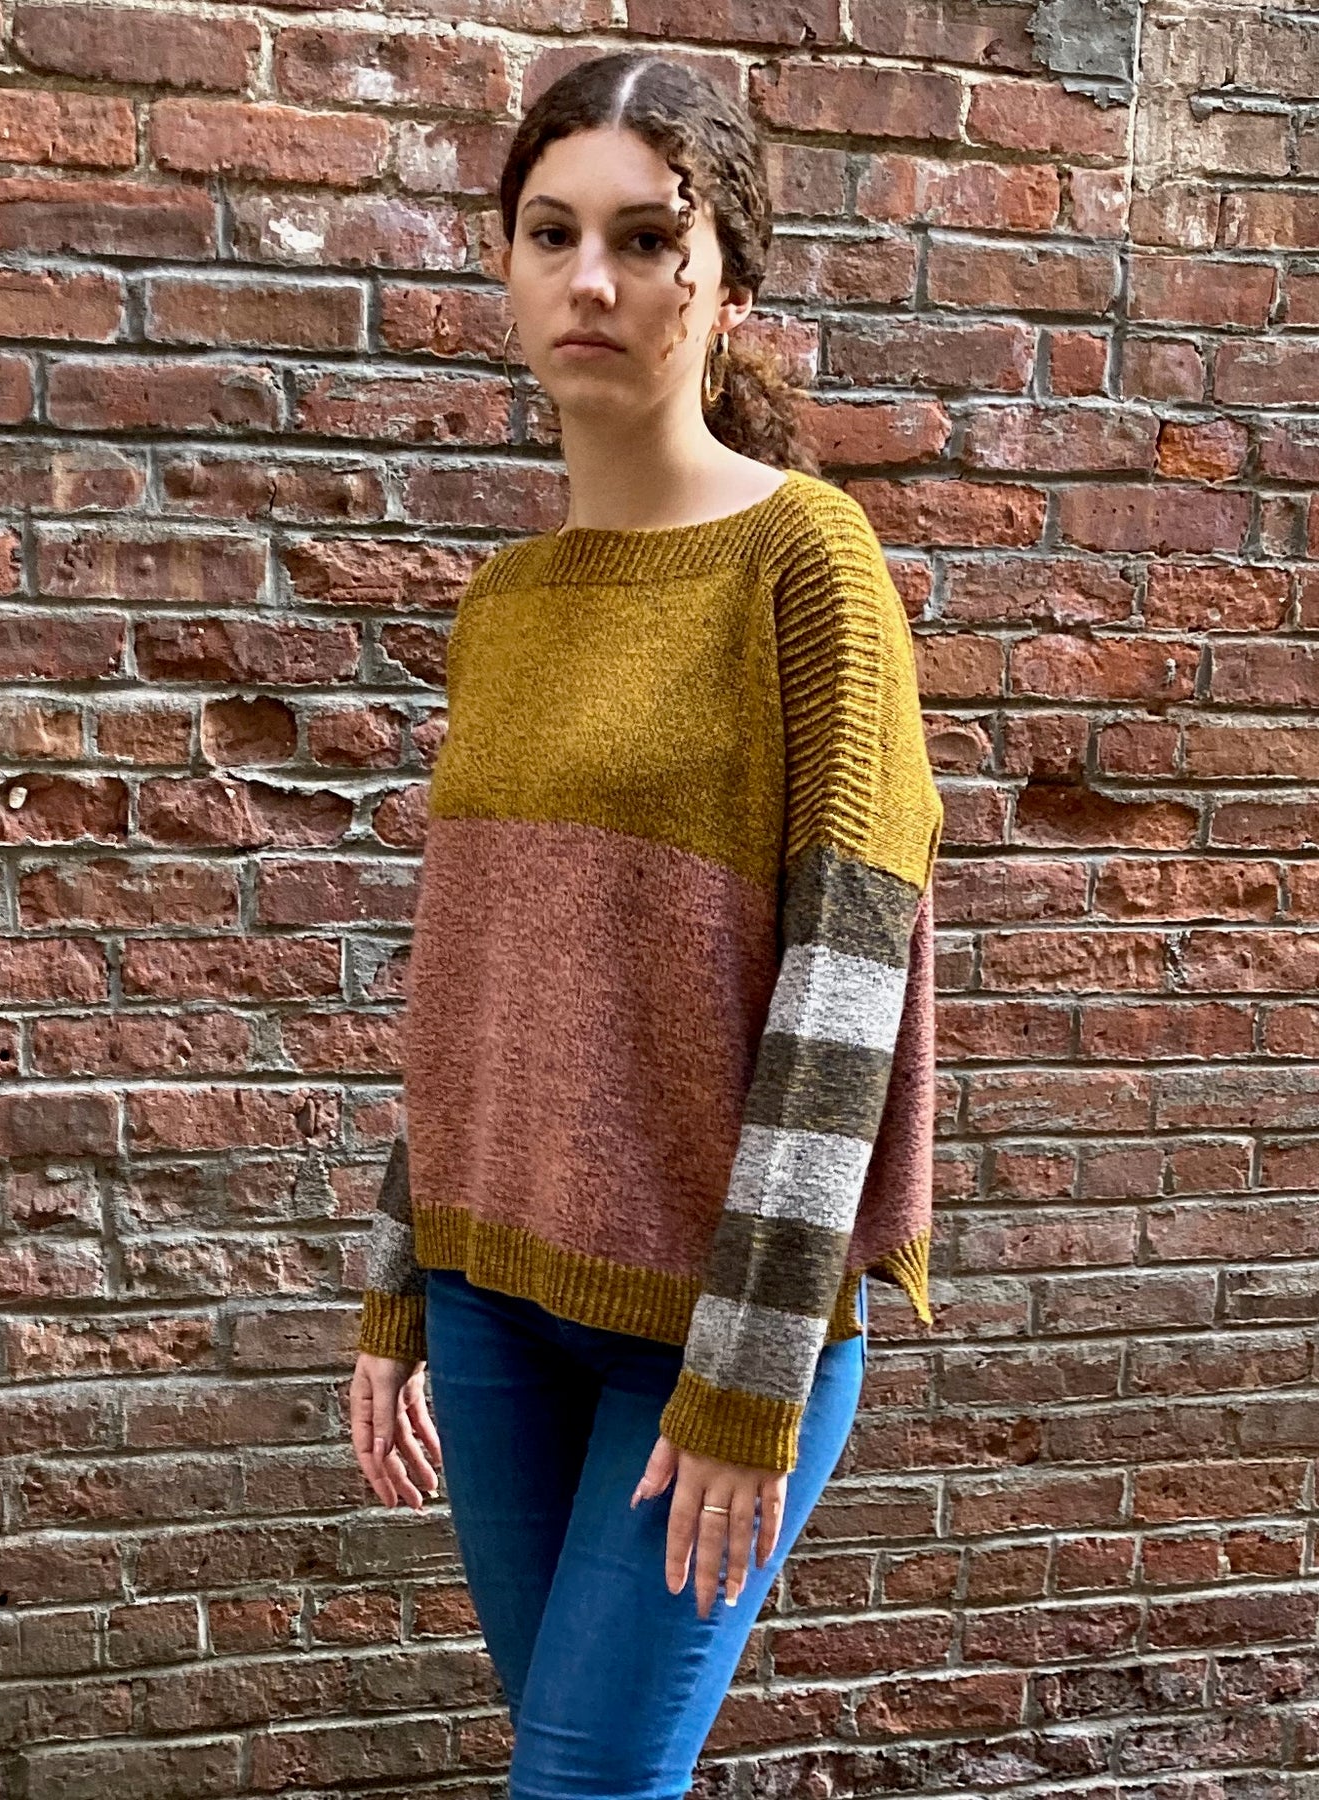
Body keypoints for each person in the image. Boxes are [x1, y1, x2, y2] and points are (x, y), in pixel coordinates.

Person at [347, 49, 944, 1800]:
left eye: (644, 237)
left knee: (585, 1782)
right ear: (506, 268)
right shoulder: (505, 604)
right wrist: (397, 1285)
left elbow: (846, 987)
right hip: (494, 1300)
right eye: (551, 234)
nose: (590, 279)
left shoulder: (807, 564)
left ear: (727, 284)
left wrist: (750, 1377)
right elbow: (477, 979)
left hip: (715, 1320)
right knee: (570, 1771)